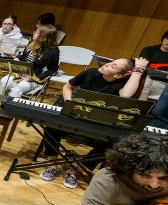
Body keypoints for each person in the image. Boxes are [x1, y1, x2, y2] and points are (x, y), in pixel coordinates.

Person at [40, 57, 149, 189]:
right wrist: (70, 103)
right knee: (52, 125)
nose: (107, 64)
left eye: (113, 66)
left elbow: (126, 94)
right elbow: (67, 87)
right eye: (111, 62)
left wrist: (138, 70)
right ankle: (53, 164)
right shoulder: (90, 73)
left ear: (119, 75)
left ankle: (77, 169)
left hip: (98, 125)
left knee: (114, 143)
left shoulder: (122, 86)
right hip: (77, 117)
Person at [73, 132, 168, 205]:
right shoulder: (107, 179)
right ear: (131, 168)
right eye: (146, 176)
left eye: (164, 178)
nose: (154, 185)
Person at [0, 24, 60, 97]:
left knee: (17, 89)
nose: (33, 33)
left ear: (43, 37)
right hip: (19, 73)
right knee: (3, 82)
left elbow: (53, 69)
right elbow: (23, 56)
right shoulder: (32, 43)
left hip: (34, 79)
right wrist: (17, 58)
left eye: (37, 32)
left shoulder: (53, 52)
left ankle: (8, 106)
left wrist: (37, 78)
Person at [138, 30, 168, 100]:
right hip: (144, 78)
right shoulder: (148, 50)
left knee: (146, 85)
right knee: (145, 83)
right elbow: (142, 68)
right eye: (167, 38)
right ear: (163, 39)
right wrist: (165, 75)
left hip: (162, 83)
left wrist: (152, 72)